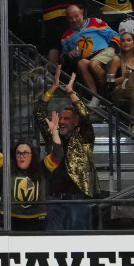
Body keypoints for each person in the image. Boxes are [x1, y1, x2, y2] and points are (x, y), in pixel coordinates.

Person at [35, 73, 99, 231]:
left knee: (78, 242)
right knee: (51, 242)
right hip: (53, 200)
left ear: (75, 122)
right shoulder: (53, 136)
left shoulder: (84, 137)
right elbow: (38, 112)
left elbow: (84, 114)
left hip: (77, 201)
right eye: (61, 118)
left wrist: (70, 92)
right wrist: (53, 88)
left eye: (67, 119)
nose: (62, 122)